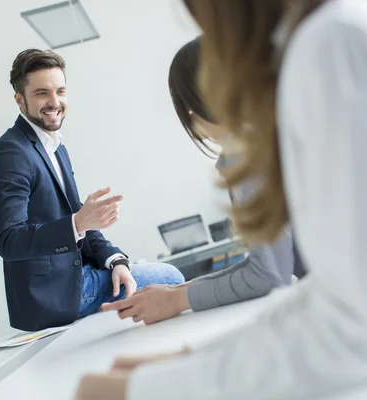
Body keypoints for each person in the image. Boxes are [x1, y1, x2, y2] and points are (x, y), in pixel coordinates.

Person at [75, 0, 367, 398]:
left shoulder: (334, 43)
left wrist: (152, 389)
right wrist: (189, 357)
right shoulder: (330, 40)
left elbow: (356, 327)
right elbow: (336, 290)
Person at [100, 38, 306, 325]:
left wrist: (175, 300)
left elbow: (268, 275)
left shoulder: (244, 151)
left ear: (194, 106)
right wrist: (177, 290)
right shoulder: (268, 130)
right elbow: (268, 263)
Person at [0, 49, 184, 332]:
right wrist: (77, 223)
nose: (55, 102)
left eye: (60, 91)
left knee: (148, 276)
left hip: (77, 276)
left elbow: (79, 220)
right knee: (170, 277)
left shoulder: (54, 146)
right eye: (42, 93)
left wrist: (115, 260)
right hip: (56, 294)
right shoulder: (10, 154)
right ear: (19, 100)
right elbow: (9, 241)